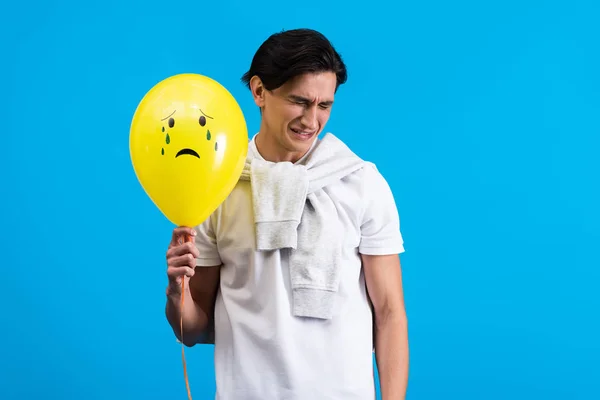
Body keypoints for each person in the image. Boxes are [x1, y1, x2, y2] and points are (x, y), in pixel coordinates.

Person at [165, 28, 409, 400]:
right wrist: (175, 289)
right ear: (260, 91)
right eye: (300, 102)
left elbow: (390, 312)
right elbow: (193, 329)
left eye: (324, 105)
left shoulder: (361, 182)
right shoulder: (217, 189)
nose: (312, 120)